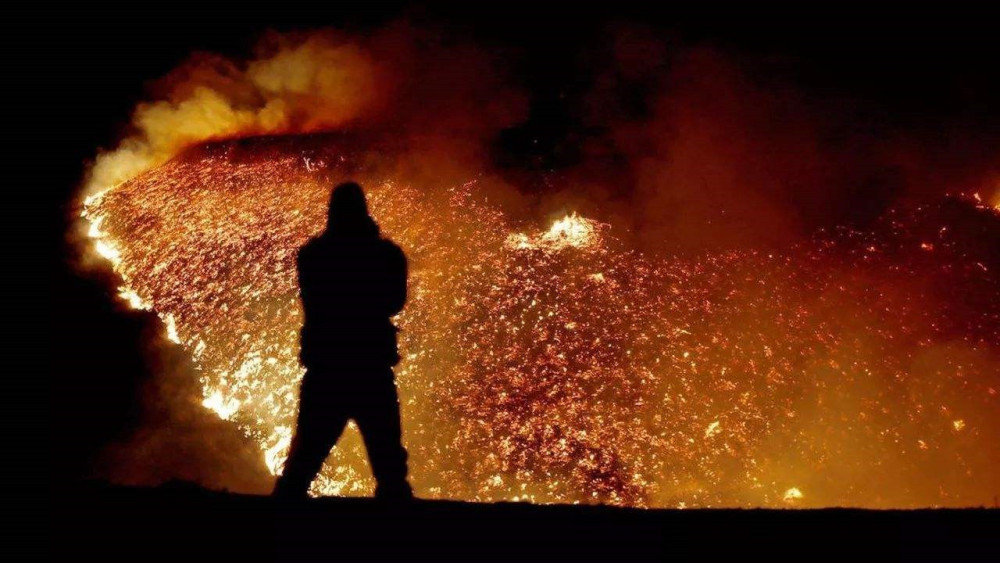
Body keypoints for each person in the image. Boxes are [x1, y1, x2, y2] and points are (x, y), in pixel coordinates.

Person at [273, 181, 413, 500]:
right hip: (371, 369)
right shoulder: (387, 254)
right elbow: (395, 302)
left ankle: (275, 537)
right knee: (390, 470)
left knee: (301, 466)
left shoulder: (313, 255)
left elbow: (314, 300)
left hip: (327, 370)